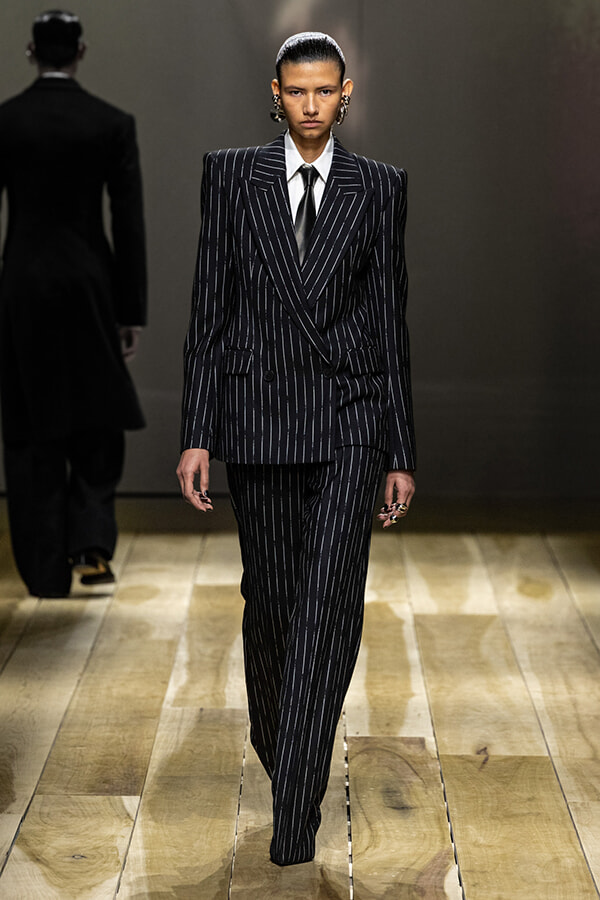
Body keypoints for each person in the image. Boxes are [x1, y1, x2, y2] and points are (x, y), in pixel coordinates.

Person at [177, 32, 416, 866]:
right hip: (260, 416)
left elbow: (389, 321)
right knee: (273, 605)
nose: (310, 105)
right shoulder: (230, 177)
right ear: (274, 94)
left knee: (328, 606)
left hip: (350, 417)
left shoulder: (379, 187)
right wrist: (198, 431)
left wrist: (399, 448)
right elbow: (208, 309)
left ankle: (297, 809)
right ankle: (288, 753)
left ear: (345, 94)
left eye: (324, 91)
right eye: (296, 91)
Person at [0, 11, 147, 597]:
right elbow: (127, 222)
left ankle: (43, 571)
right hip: (90, 284)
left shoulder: (6, 121)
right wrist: (130, 309)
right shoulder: (110, 122)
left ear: (31, 52)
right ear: (80, 51)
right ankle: (90, 541)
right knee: (98, 413)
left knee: (30, 421)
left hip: (22, 285)